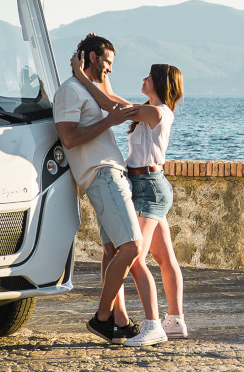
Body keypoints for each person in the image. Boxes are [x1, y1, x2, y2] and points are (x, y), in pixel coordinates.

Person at [53, 34, 168, 346]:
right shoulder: (70, 91)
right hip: (101, 174)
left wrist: (85, 76)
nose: (111, 69)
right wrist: (107, 120)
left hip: (109, 173)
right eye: (107, 62)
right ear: (91, 57)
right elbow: (70, 139)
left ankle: (119, 321)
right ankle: (103, 317)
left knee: (113, 251)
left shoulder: (86, 88)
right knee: (131, 247)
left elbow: (110, 102)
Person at [71, 50, 188, 339]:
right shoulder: (148, 109)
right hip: (149, 185)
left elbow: (110, 106)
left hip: (148, 188)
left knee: (133, 254)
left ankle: (153, 326)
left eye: (149, 75)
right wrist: (102, 74)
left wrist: (80, 77)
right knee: (165, 257)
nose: (144, 78)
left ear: (161, 83)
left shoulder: (158, 112)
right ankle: (175, 320)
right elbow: (111, 97)